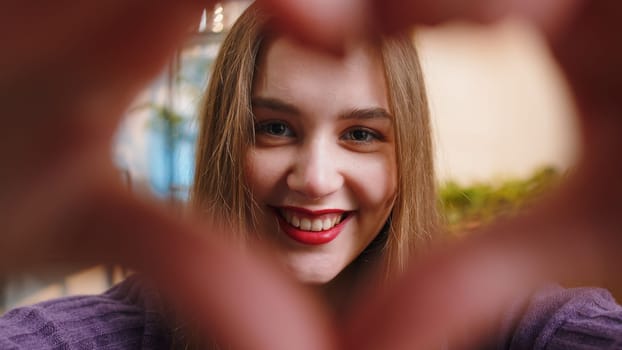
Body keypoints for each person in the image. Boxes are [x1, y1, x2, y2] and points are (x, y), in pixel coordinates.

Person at [2, 0, 622, 349]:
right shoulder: (97, 338)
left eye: (361, 135)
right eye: (275, 128)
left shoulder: (514, 329)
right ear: (227, 136)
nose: (317, 178)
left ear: (406, 153)